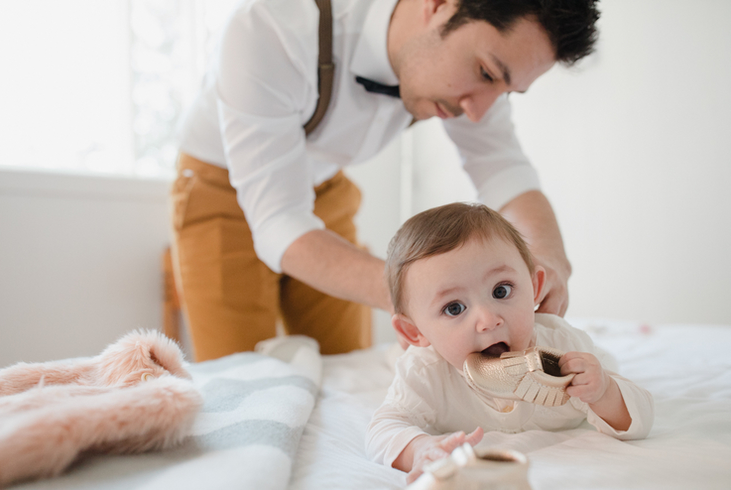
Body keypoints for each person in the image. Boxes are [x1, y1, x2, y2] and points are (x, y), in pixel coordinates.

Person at [170, 0, 600, 361]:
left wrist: (549, 259)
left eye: (504, 91)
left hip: (325, 189)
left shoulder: (469, 78)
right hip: (218, 192)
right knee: (241, 378)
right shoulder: (269, 26)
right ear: (438, 6)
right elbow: (279, 221)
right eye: (487, 73)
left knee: (345, 365)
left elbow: (504, 171)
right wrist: (426, 297)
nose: (478, 112)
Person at [365, 202, 654, 483]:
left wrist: (603, 392)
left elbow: (640, 418)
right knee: (395, 362)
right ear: (414, 332)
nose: (488, 320)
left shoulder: (565, 349)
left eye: (501, 291)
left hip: (587, 361)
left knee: (605, 364)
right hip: (416, 358)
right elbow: (382, 429)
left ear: (535, 288)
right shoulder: (425, 370)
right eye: (454, 308)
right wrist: (418, 449)